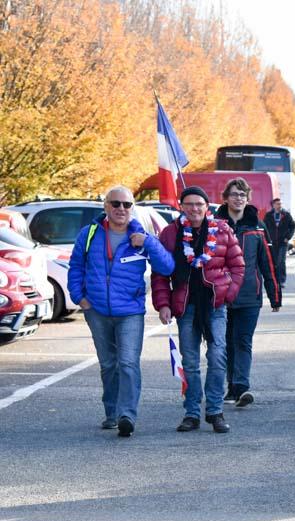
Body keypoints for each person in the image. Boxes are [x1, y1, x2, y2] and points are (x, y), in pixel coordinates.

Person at [68, 186, 174, 437]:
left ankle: (127, 415)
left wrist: (148, 242)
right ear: (105, 206)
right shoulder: (89, 233)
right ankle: (112, 412)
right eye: (115, 204)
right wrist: (80, 299)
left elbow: (167, 267)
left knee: (127, 362)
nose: (121, 209)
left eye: (127, 205)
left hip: (129, 312)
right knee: (108, 364)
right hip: (97, 311)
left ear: (132, 208)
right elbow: (76, 267)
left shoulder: (141, 235)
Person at [151, 186, 245, 433]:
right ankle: (191, 412)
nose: (194, 209)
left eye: (199, 204)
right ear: (181, 206)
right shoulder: (171, 233)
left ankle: (214, 410)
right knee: (190, 362)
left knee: (217, 357)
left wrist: (228, 293)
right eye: (189, 204)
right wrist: (163, 304)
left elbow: (238, 265)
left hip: (214, 304)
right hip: (185, 305)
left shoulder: (222, 230)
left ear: (207, 206)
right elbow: (160, 272)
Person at [215, 178, 281, 408]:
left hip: (249, 296)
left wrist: (274, 294)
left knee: (243, 341)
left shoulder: (257, 227)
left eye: (242, 194)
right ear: (226, 197)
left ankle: (242, 387)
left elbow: (267, 263)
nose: (238, 198)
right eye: (234, 194)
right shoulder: (215, 224)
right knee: (226, 343)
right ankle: (231, 386)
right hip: (220, 295)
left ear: (248, 198)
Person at [263, 197, 295, 288]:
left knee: (281, 261)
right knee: (274, 261)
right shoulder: (268, 215)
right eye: (277, 204)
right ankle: (274, 280)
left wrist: (288, 237)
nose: (279, 206)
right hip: (272, 242)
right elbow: (265, 227)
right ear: (273, 205)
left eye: (280, 204)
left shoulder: (286, 215)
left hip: (283, 243)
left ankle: (281, 281)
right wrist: (267, 238)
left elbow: (292, 226)